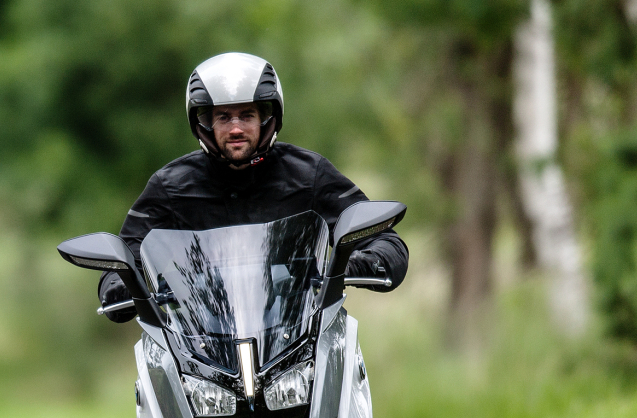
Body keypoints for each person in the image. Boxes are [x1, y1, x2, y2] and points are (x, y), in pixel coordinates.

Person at [98, 52, 408, 321]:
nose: (235, 128)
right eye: (224, 117)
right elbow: (123, 260)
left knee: (344, 357)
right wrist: (120, 286)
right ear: (205, 124)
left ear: (265, 119)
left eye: (246, 115)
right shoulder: (170, 187)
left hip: (302, 334)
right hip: (197, 346)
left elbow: (385, 240)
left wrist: (354, 264)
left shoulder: (309, 174)